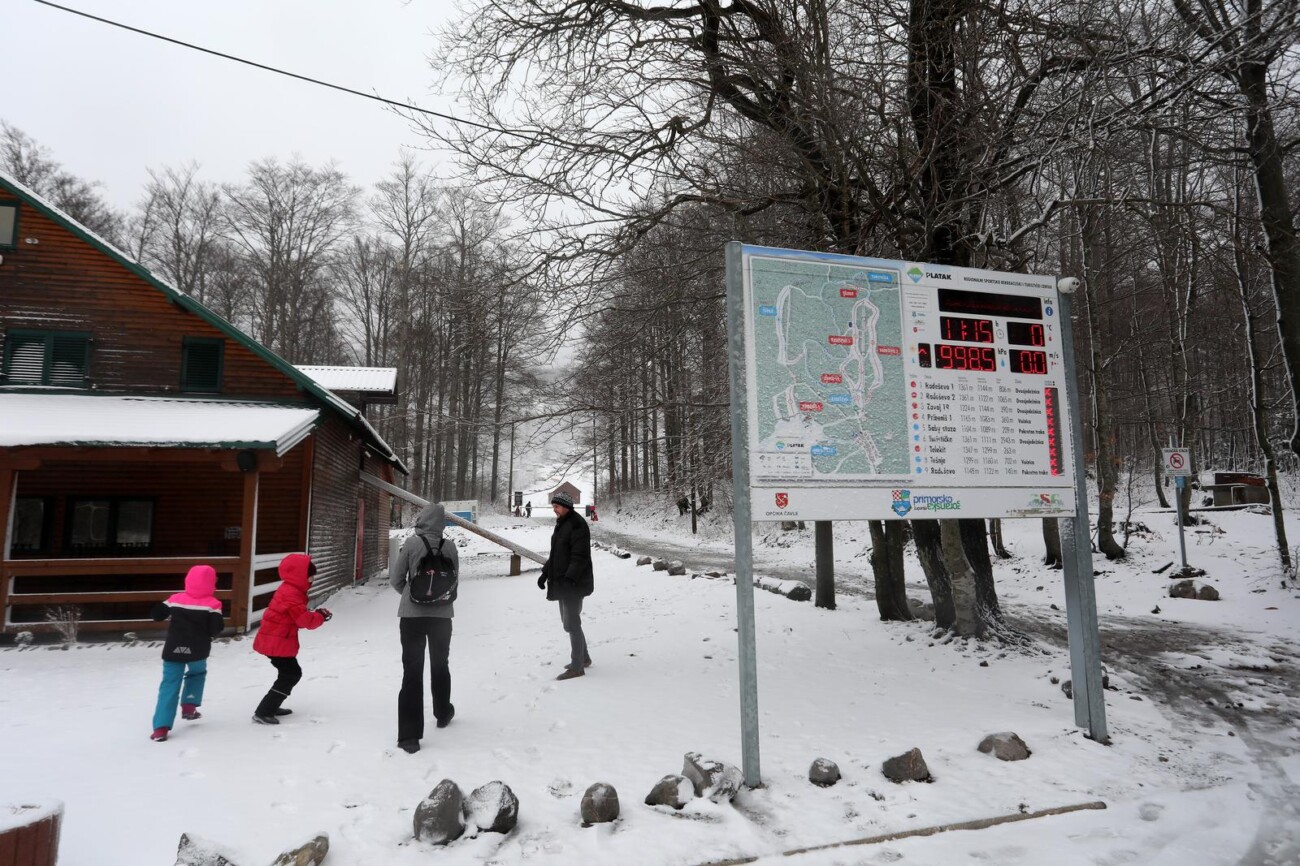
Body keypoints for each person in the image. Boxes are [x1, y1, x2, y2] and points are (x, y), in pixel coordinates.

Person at [389, 503, 460, 754]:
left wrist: (412, 596)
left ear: (422, 520)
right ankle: (443, 713)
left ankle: (409, 737)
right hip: (442, 618)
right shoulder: (450, 546)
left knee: (412, 671)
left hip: (412, 618)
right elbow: (454, 582)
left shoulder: (411, 543)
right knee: (440, 665)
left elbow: (396, 579)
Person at [149, 564, 226, 742]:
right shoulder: (213, 604)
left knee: (169, 684)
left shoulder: (175, 599)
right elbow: (216, 629)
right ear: (212, 584)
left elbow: (157, 614)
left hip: (173, 650)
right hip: (197, 651)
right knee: (197, 673)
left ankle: (161, 727)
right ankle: (189, 704)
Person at [251, 553, 330, 724]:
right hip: (276, 642)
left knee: (288, 673)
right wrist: (320, 616)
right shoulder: (291, 595)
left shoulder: (290, 590)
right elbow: (305, 621)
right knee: (291, 674)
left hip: (276, 640)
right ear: (300, 577)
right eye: (310, 576)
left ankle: (272, 705)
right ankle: (264, 711)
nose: (312, 580)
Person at [537, 490, 594, 680]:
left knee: (571, 624)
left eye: (557, 506)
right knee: (569, 623)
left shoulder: (577, 525)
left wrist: (570, 579)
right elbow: (556, 555)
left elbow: (580, 557)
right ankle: (584, 658)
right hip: (562, 582)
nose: (554, 509)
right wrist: (544, 574)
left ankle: (578, 666)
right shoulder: (562, 524)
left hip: (574, 584)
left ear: (567, 507)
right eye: (553, 506)